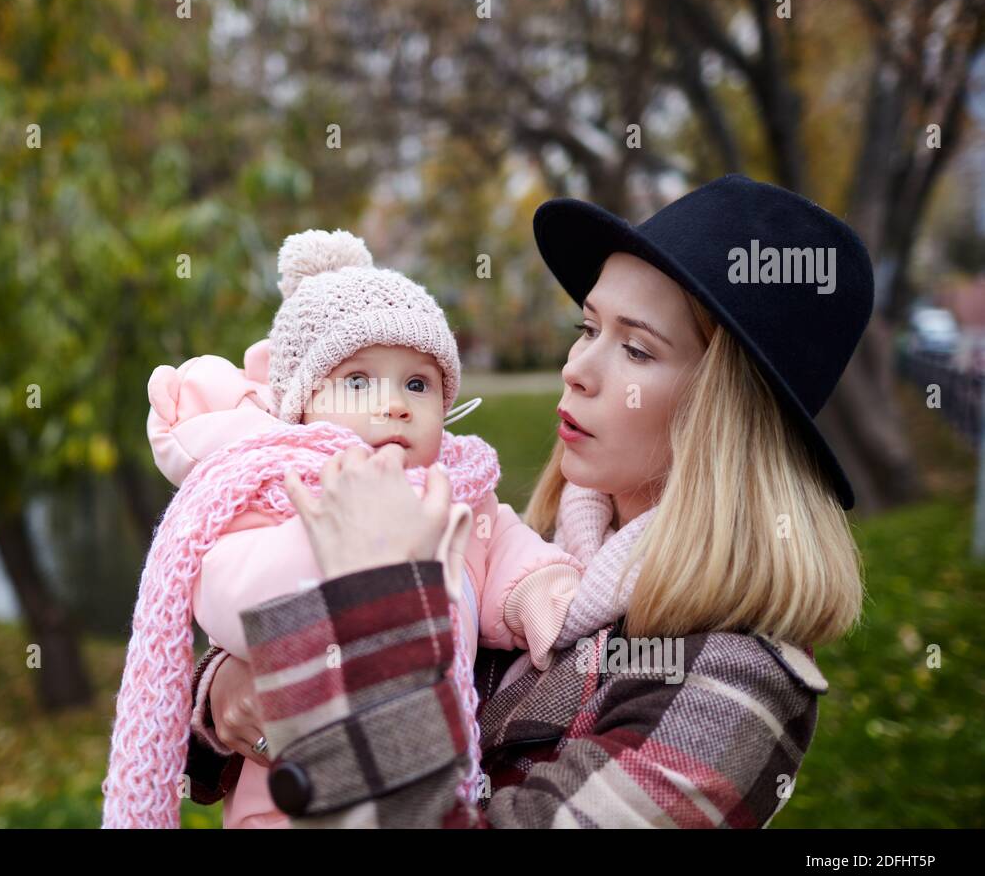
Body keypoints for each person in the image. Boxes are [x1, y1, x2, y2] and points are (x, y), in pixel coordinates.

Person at [182, 174, 873, 828]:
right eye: (587, 328)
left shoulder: (734, 688)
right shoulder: (544, 546)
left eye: (635, 349)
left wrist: (379, 600)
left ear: (727, 412)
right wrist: (228, 689)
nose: (577, 369)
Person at [103, 230, 591, 829]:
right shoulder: (280, 495)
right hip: (287, 802)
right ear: (302, 406)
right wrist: (338, 546)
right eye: (358, 382)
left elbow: (510, 553)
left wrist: (544, 593)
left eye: (418, 384)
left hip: (419, 779)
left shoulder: (462, 493)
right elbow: (228, 593)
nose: (395, 404)